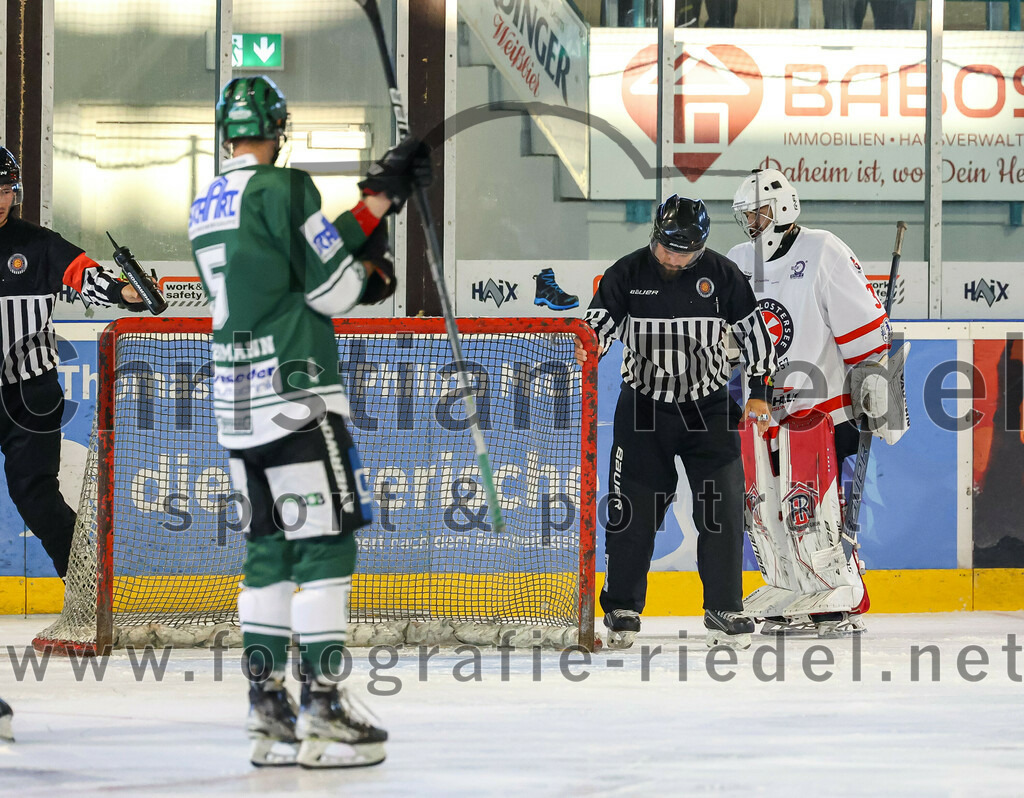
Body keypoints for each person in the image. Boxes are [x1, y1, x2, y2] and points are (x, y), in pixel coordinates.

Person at [189, 76, 430, 768]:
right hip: (297, 394)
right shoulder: (286, 188)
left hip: (237, 404)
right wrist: (374, 269)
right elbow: (332, 286)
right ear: (279, 127)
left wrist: (375, 203)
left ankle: (268, 713)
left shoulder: (207, 201)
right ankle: (324, 708)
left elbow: (293, 258)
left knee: (267, 555)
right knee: (323, 549)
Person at [576, 195, 777, 650]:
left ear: (701, 247)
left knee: (722, 510)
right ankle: (622, 607)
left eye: (682, 250)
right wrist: (585, 349)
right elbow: (597, 328)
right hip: (643, 411)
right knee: (632, 512)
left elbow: (756, 339)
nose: (671, 257)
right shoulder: (625, 273)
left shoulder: (724, 276)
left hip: (708, 410)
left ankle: (724, 607)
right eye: (665, 246)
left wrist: (760, 393)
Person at [727, 168, 907, 635]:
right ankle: (789, 584)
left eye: (760, 212)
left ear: (785, 208)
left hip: (822, 409)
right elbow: (726, 336)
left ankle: (839, 586)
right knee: (764, 509)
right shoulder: (738, 259)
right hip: (765, 411)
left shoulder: (822, 249)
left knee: (812, 506)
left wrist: (881, 391)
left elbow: (868, 330)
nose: (753, 222)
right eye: (747, 214)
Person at [0, 146, 143, 580]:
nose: (1, 198)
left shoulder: (39, 244)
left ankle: (86, 587)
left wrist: (124, 293)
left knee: (36, 494)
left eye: (6, 188)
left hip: (30, 393)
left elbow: (85, 275)